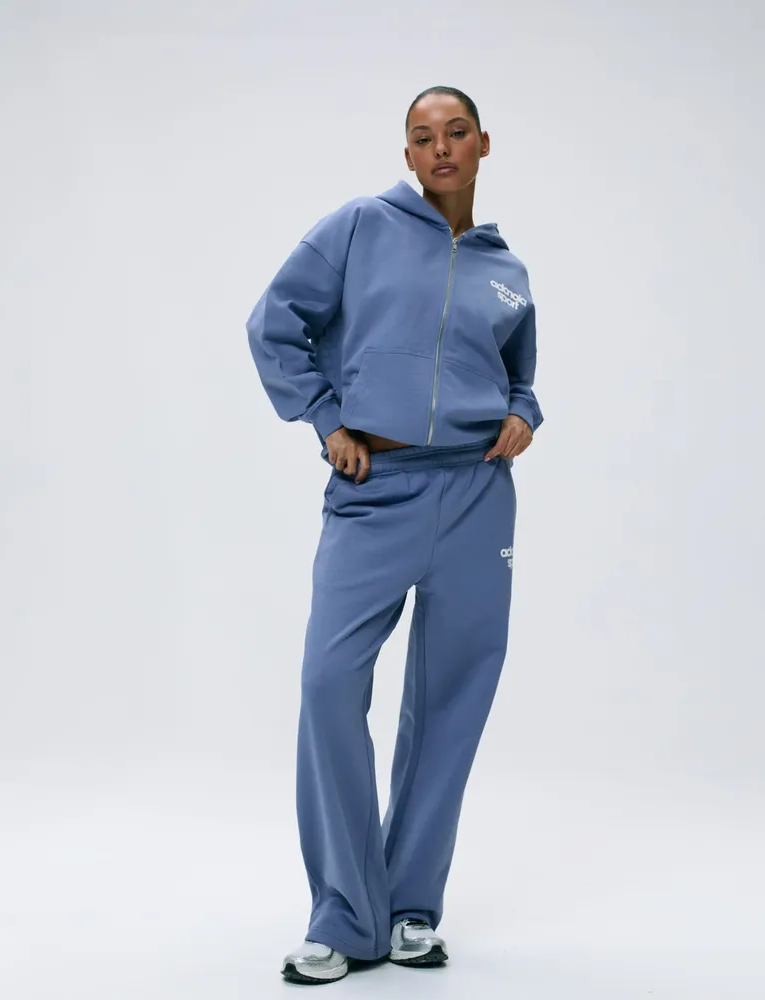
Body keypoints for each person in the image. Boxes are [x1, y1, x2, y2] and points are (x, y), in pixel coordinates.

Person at [245, 85, 544, 986]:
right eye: (423, 136)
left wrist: (525, 412)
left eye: (456, 132)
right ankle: (345, 916)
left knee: (450, 703)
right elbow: (275, 325)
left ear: (483, 144)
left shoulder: (507, 270)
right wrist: (326, 419)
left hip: (478, 496)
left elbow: (519, 374)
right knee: (328, 684)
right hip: (374, 489)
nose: (440, 147)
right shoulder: (359, 226)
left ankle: (411, 908)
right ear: (407, 154)